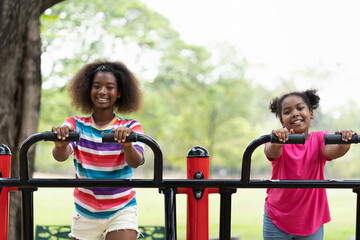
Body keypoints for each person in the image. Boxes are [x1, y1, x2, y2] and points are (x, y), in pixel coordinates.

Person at [51, 60, 144, 240]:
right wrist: (60, 144)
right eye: (96, 86)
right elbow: (60, 156)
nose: (102, 91)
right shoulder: (75, 124)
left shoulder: (130, 126)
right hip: (85, 211)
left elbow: (136, 161)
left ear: (119, 93)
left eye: (110, 87)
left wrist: (127, 145)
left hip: (121, 209)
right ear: (88, 90)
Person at [263, 89, 356, 240]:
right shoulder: (277, 141)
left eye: (300, 108)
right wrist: (277, 141)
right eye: (287, 112)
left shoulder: (319, 138)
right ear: (282, 121)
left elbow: (332, 151)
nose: (294, 114)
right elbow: (271, 152)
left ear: (311, 114)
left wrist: (344, 143)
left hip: (310, 218)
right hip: (277, 216)